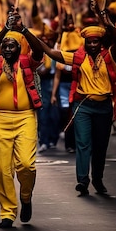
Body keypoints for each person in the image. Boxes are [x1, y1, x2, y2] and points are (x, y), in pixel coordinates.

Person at [38, 22, 116, 196]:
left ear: (101, 42)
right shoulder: (77, 57)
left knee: (100, 146)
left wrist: (105, 19)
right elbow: (51, 53)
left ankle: (97, 179)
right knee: (83, 144)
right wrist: (25, 32)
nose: (93, 45)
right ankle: (82, 180)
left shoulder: (110, 56)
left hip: (104, 108)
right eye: (89, 42)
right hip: (83, 107)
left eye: (96, 41)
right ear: (85, 43)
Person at [0, 8, 44, 229]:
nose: (7, 49)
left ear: (19, 49)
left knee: (27, 165)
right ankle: (7, 212)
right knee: (3, 169)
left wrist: (23, 29)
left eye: (12, 46)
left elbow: (39, 50)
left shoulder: (29, 63)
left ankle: (26, 197)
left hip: (26, 118)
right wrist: (5, 29)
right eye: (5, 46)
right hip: (0, 119)